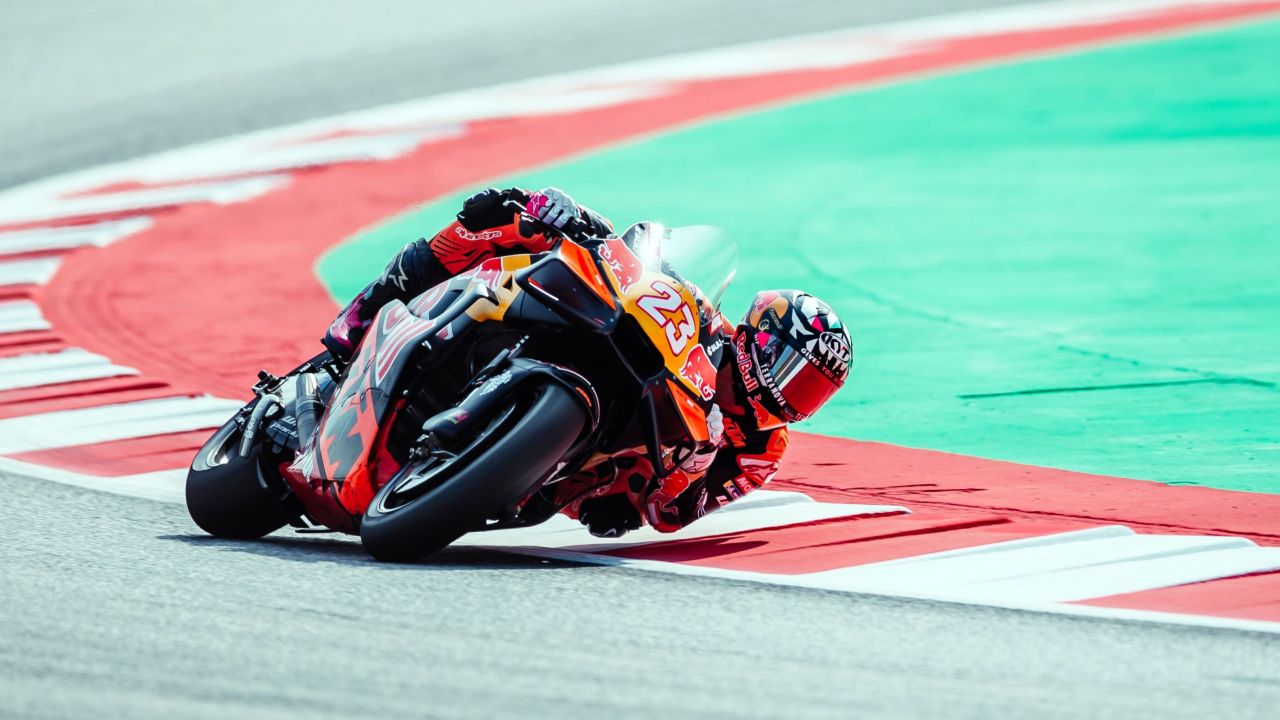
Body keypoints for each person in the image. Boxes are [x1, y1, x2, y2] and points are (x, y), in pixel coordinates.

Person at [323, 186, 853, 537]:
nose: (792, 394)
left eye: (811, 391)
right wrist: (573, 216)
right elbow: (632, 260)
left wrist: (694, 464)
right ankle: (367, 314)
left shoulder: (762, 450)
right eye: (793, 372)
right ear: (759, 338)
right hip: (602, 350)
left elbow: (671, 516)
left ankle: (487, 466)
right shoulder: (705, 318)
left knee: (615, 510)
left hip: (595, 470)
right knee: (508, 218)